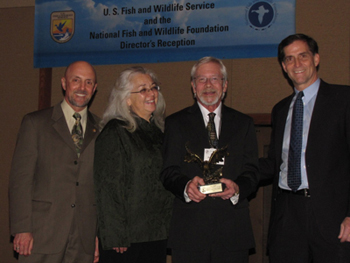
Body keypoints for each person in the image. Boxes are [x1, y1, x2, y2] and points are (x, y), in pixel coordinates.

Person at [259, 33, 350, 262]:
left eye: (303, 56)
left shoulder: (343, 100)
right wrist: (234, 174)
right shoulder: (280, 110)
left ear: (316, 58)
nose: (297, 64)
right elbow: (273, 163)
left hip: (333, 218)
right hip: (287, 215)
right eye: (289, 59)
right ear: (283, 66)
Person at [160, 56, 259, 263]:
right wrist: (186, 186)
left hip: (233, 232)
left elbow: (252, 171)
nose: (208, 85)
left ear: (225, 85)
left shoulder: (244, 124)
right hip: (189, 233)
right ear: (193, 86)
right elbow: (168, 171)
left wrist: (238, 188)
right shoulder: (175, 124)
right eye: (201, 79)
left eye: (214, 79)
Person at [9, 61, 100, 263]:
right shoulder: (35, 123)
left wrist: (96, 234)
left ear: (94, 89)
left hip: (83, 238)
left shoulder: (102, 129)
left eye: (88, 82)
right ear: (64, 83)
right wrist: (22, 228)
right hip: (41, 235)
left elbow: (100, 187)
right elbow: (20, 180)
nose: (82, 88)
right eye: (76, 80)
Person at [94, 66, 173, 263]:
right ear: (127, 99)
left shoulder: (159, 132)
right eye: (143, 89)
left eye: (153, 87)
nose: (151, 93)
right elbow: (108, 187)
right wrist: (115, 235)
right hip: (126, 240)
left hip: (156, 234)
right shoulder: (116, 131)